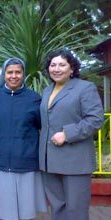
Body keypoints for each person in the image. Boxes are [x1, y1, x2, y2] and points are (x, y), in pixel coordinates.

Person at [39, 49, 104, 220]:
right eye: (53, 65)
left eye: (62, 64)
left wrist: (67, 134)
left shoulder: (85, 88)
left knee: (76, 211)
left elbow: (96, 119)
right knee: (58, 208)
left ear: (72, 69)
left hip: (75, 162)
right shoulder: (47, 91)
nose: (57, 69)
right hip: (50, 162)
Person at [0, 57, 48, 220]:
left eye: (18, 72)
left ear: (23, 74)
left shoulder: (34, 98)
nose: (13, 76)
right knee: (2, 212)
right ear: (4, 74)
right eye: (10, 72)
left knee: (25, 212)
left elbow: (42, 126)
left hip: (25, 161)